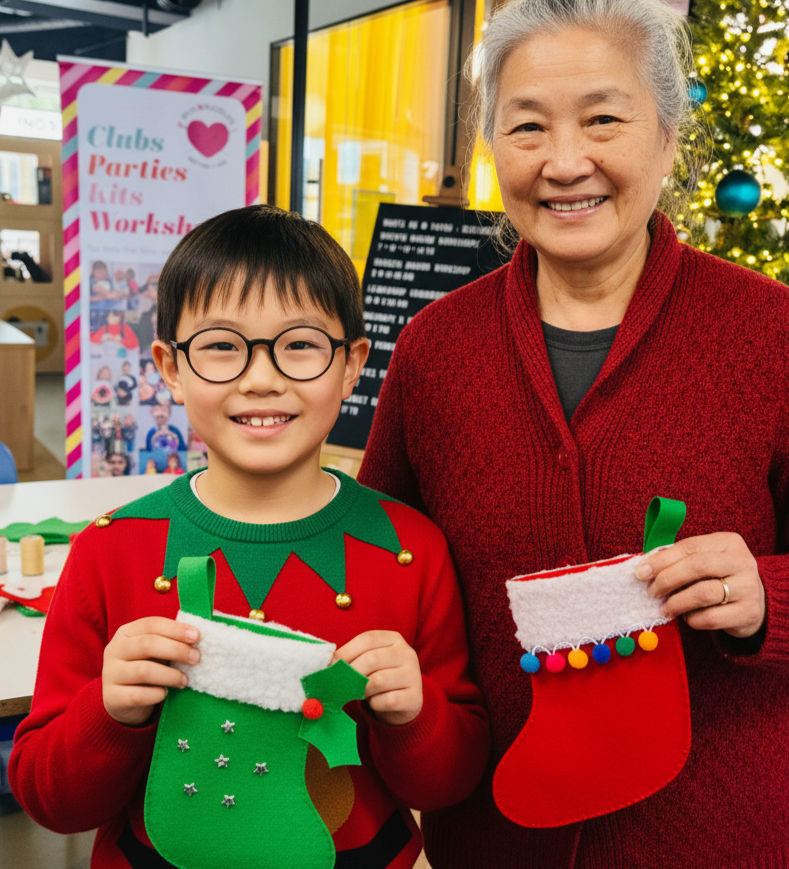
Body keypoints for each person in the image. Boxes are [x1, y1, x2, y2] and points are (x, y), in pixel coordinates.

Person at [357, 0, 789, 865]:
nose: (564, 163)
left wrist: (770, 595)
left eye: (602, 119)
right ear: (492, 148)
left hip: (716, 835)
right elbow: (381, 558)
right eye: (526, 126)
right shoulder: (436, 348)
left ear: (667, 137)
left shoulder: (772, 334)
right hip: (496, 833)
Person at [9, 204, 488, 869]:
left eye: (299, 345)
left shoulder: (411, 550)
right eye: (221, 347)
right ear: (170, 368)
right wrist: (110, 711)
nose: (261, 378)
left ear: (351, 365)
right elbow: (49, 800)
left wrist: (416, 713)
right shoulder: (110, 550)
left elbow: (450, 784)